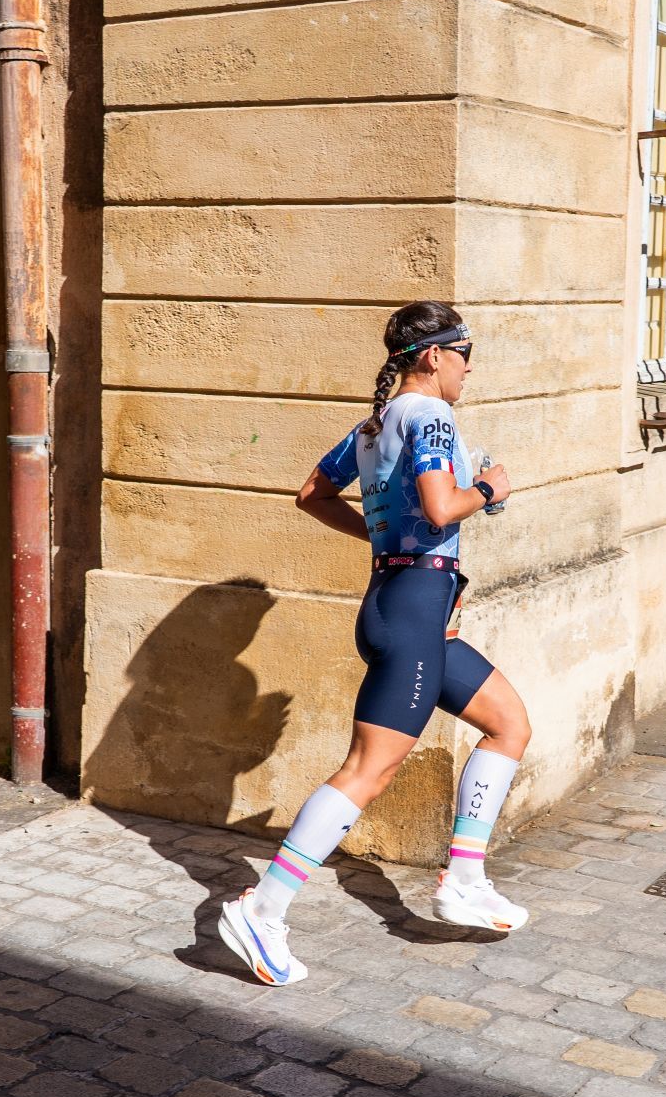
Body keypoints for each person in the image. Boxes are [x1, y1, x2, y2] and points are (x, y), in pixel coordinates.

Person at [217, 302, 532, 987]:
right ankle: (262, 909)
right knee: (368, 770)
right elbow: (442, 505)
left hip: (409, 605)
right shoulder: (430, 417)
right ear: (432, 357)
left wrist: (384, 540)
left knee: (508, 723)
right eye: (463, 352)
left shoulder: (373, 425)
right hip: (413, 610)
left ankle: (465, 878)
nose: (470, 366)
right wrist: (489, 486)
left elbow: (312, 493)